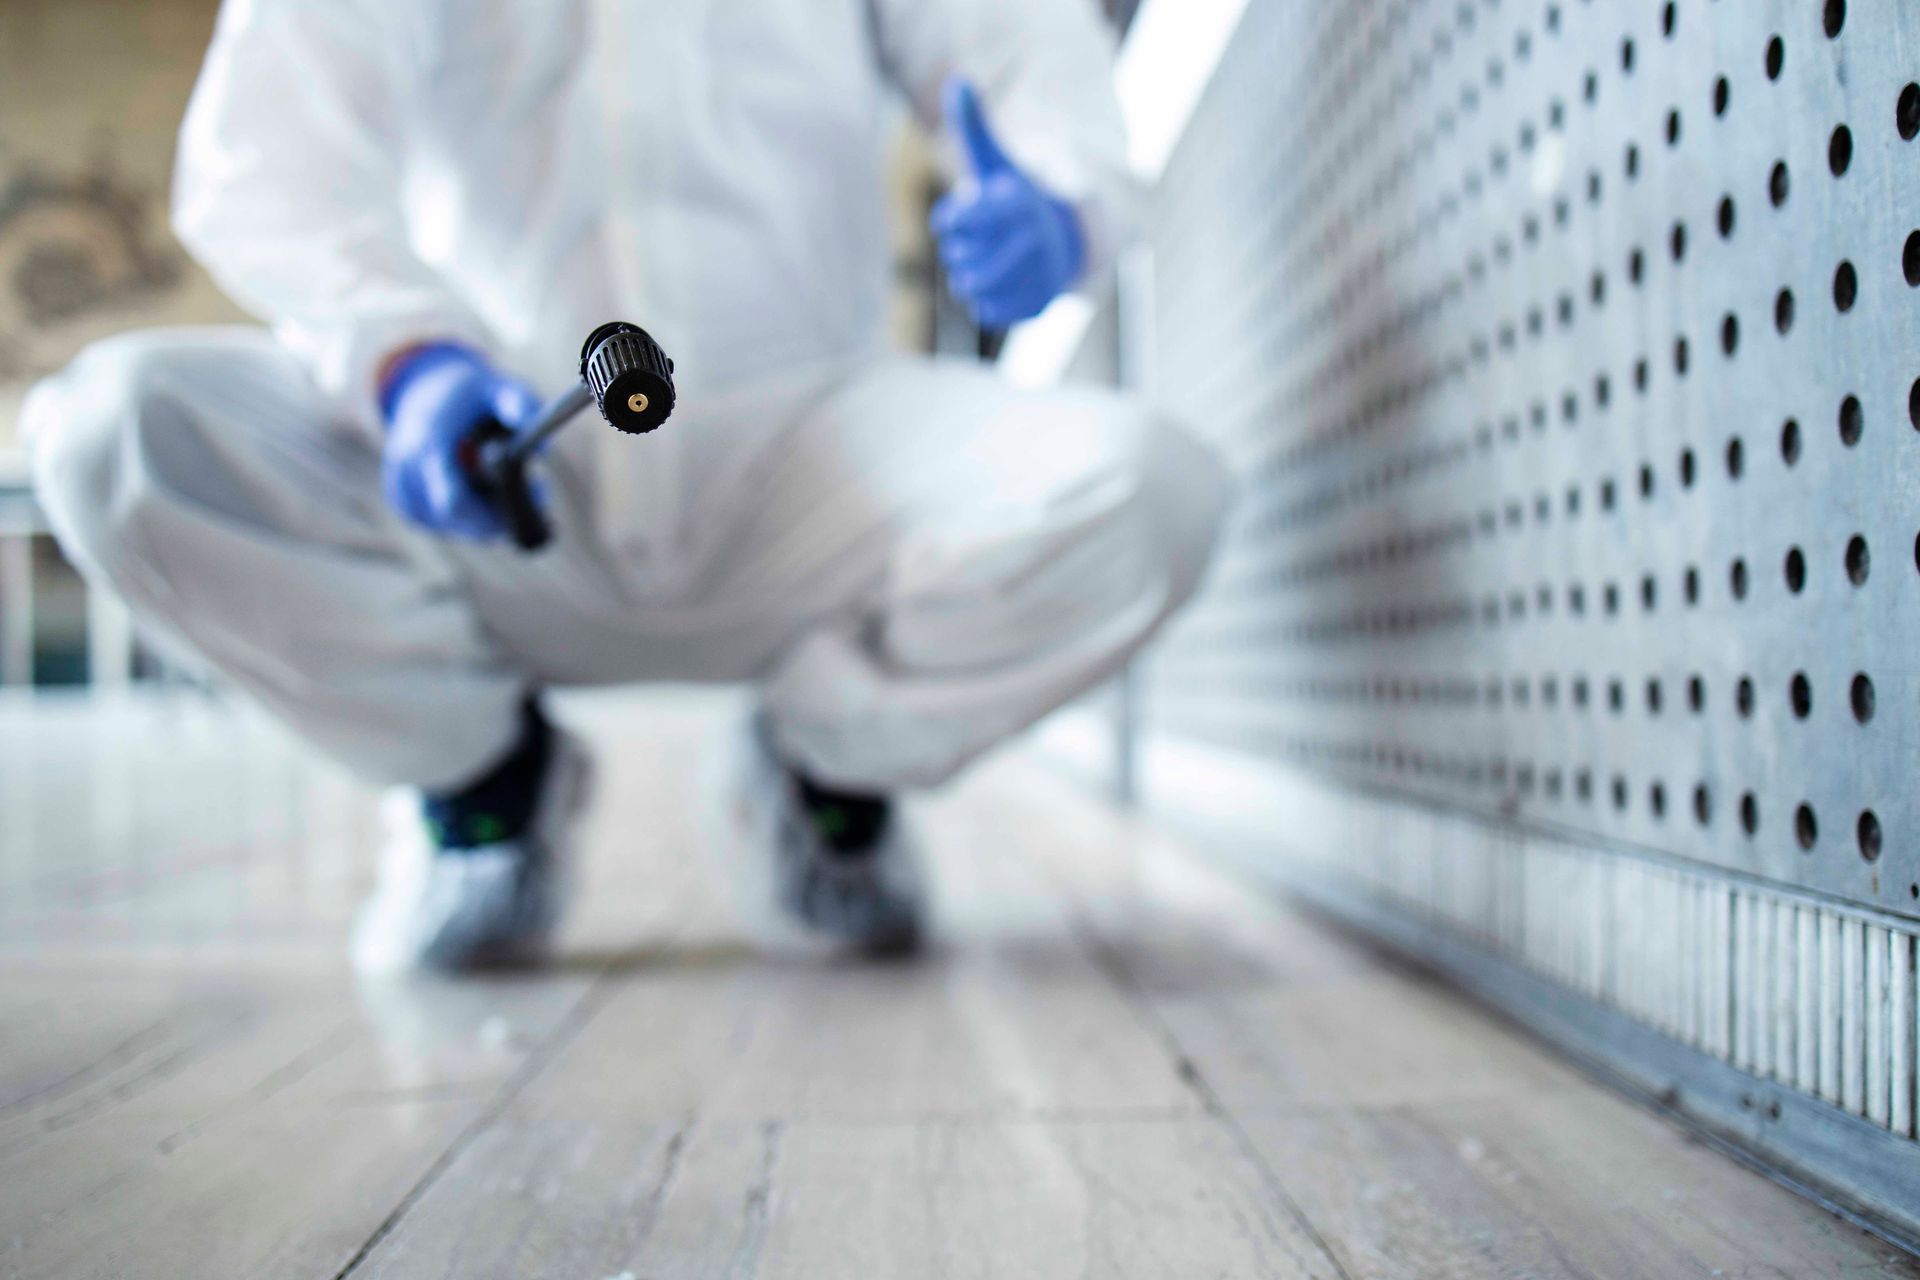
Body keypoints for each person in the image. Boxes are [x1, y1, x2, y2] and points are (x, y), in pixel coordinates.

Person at [24, 0, 1229, 970]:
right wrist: (406, 359)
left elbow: (1019, 51)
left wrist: (1060, 211)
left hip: (807, 471)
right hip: (498, 466)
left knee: (1151, 494)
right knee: (113, 436)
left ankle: (828, 771)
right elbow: (269, 160)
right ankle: (482, 780)